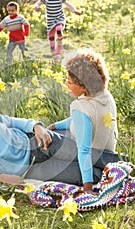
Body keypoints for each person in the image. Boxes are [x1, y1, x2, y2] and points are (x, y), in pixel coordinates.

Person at [0, 87, 120, 194]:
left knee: (95, 156)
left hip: (35, 142)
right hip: (31, 171)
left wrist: (36, 127)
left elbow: (11, 121)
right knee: (86, 175)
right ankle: (119, 175)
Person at [46, 48, 118, 194]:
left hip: (92, 159)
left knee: (47, 160)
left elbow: (84, 150)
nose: (66, 84)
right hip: (107, 153)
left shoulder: (81, 108)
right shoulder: (104, 96)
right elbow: (86, 121)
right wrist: (56, 125)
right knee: (55, 134)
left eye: (70, 82)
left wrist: (88, 188)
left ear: (84, 86)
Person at [34, 0, 81, 64]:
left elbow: (68, 4)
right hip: (50, 20)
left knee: (59, 28)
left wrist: (75, 10)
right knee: (51, 38)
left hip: (59, 18)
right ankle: (55, 56)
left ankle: (60, 35)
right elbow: (37, 4)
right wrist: (37, 7)